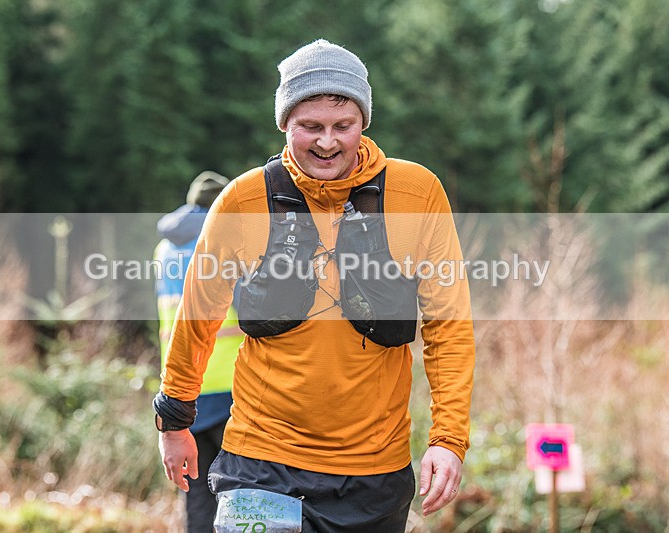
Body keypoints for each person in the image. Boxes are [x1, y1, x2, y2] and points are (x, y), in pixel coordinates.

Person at [153, 39, 475, 532]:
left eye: (342, 126)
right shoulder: (243, 201)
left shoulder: (418, 193)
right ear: (284, 124)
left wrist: (447, 438)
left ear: (364, 121)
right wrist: (175, 419)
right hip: (261, 461)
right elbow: (197, 316)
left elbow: (448, 328)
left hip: (375, 472)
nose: (327, 142)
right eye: (310, 127)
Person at [153, 171, 242, 532]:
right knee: (243, 495)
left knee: (198, 494)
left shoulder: (165, 248)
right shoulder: (224, 240)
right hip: (232, 385)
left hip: (182, 389)